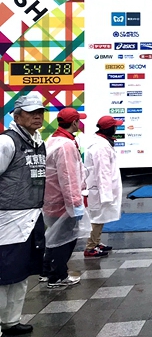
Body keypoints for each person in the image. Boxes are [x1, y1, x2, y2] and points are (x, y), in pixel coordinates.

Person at [0, 93, 48, 336]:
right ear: (17, 117)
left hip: (32, 217)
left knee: (21, 272)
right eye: (31, 112)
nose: (37, 116)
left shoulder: (39, 141)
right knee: (3, 273)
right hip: (7, 219)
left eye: (40, 111)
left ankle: (10, 321)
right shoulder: (7, 143)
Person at [42, 107, 88, 289]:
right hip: (63, 202)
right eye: (79, 120)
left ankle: (46, 272)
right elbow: (68, 177)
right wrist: (75, 204)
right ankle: (57, 276)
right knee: (65, 240)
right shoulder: (66, 145)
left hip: (51, 199)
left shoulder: (52, 140)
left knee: (53, 237)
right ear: (75, 122)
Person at [84, 116, 123, 258]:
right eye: (115, 126)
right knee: (97, 218)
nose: (116, 129)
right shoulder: (101, 147)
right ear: (109, 128)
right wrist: (106, 193)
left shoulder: (103, 143)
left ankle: (96, 242)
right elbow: (103, 171)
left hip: (101, 188)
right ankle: (90, 247)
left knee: (101, 216)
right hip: (99, 189)